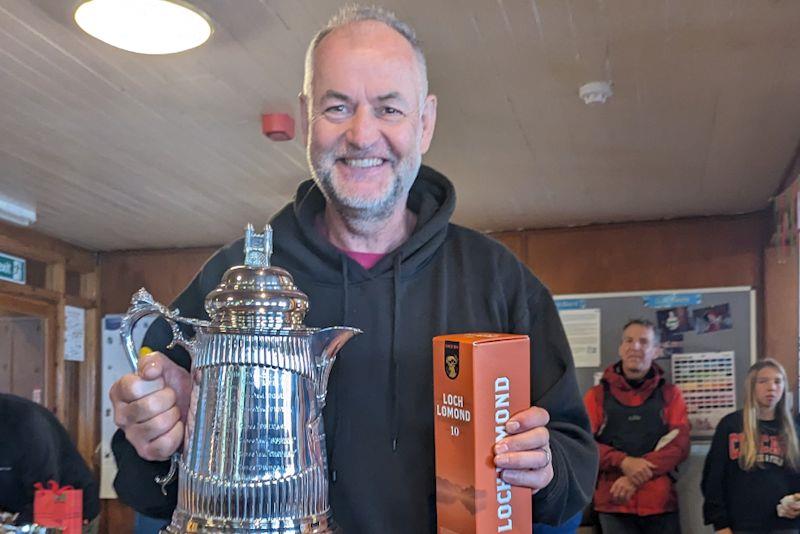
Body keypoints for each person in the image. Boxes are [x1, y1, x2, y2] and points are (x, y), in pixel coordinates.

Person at [109, 5, 597, 532]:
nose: (363, 135)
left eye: (389, 109)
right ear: (306, 119)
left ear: (426, 122)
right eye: (338, 107)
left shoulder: (499, 281)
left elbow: (573, 470)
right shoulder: (230, 280)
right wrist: (152, 437)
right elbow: (145, 488)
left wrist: (543, 467)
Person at [583, 319, 690, 533]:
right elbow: (584, 443)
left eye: (644, 342)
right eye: (629, 341)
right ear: (621, 348)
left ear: (657, 350)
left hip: (660, 504)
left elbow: (679, 445)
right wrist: (623, 462)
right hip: (613, 503)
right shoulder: (597, 396)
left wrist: (634, 476)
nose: (635, 347)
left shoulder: (671, 394)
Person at [702, 358, 800, 534]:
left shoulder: (794, 429)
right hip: (741, 525)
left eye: (778, 381)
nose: (772, 387)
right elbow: (713, 480)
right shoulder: (731, 425)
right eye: (763, 381)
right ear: (751, 386)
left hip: (785, 526)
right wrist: (720, 524)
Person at [0, 393, 100, 529]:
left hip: (66, 510)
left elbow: (46, 487)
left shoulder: (25, 421)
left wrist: (15, 525)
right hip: (17, 510)